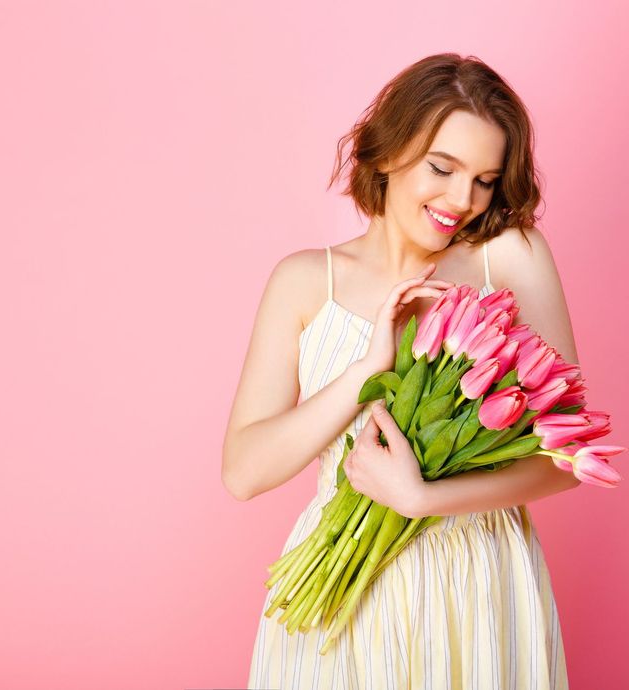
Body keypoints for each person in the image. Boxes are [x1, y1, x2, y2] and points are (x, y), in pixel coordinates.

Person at [223, 52, 581, 689]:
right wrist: (369, 366)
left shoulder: (511, 256)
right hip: (340, 592)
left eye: (485, 179)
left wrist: (423, 499)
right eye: (441, 168)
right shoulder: (306, 281)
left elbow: (565, 456)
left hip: (477, 574)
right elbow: (245, 472)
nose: (461, 200)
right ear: (386, 152)